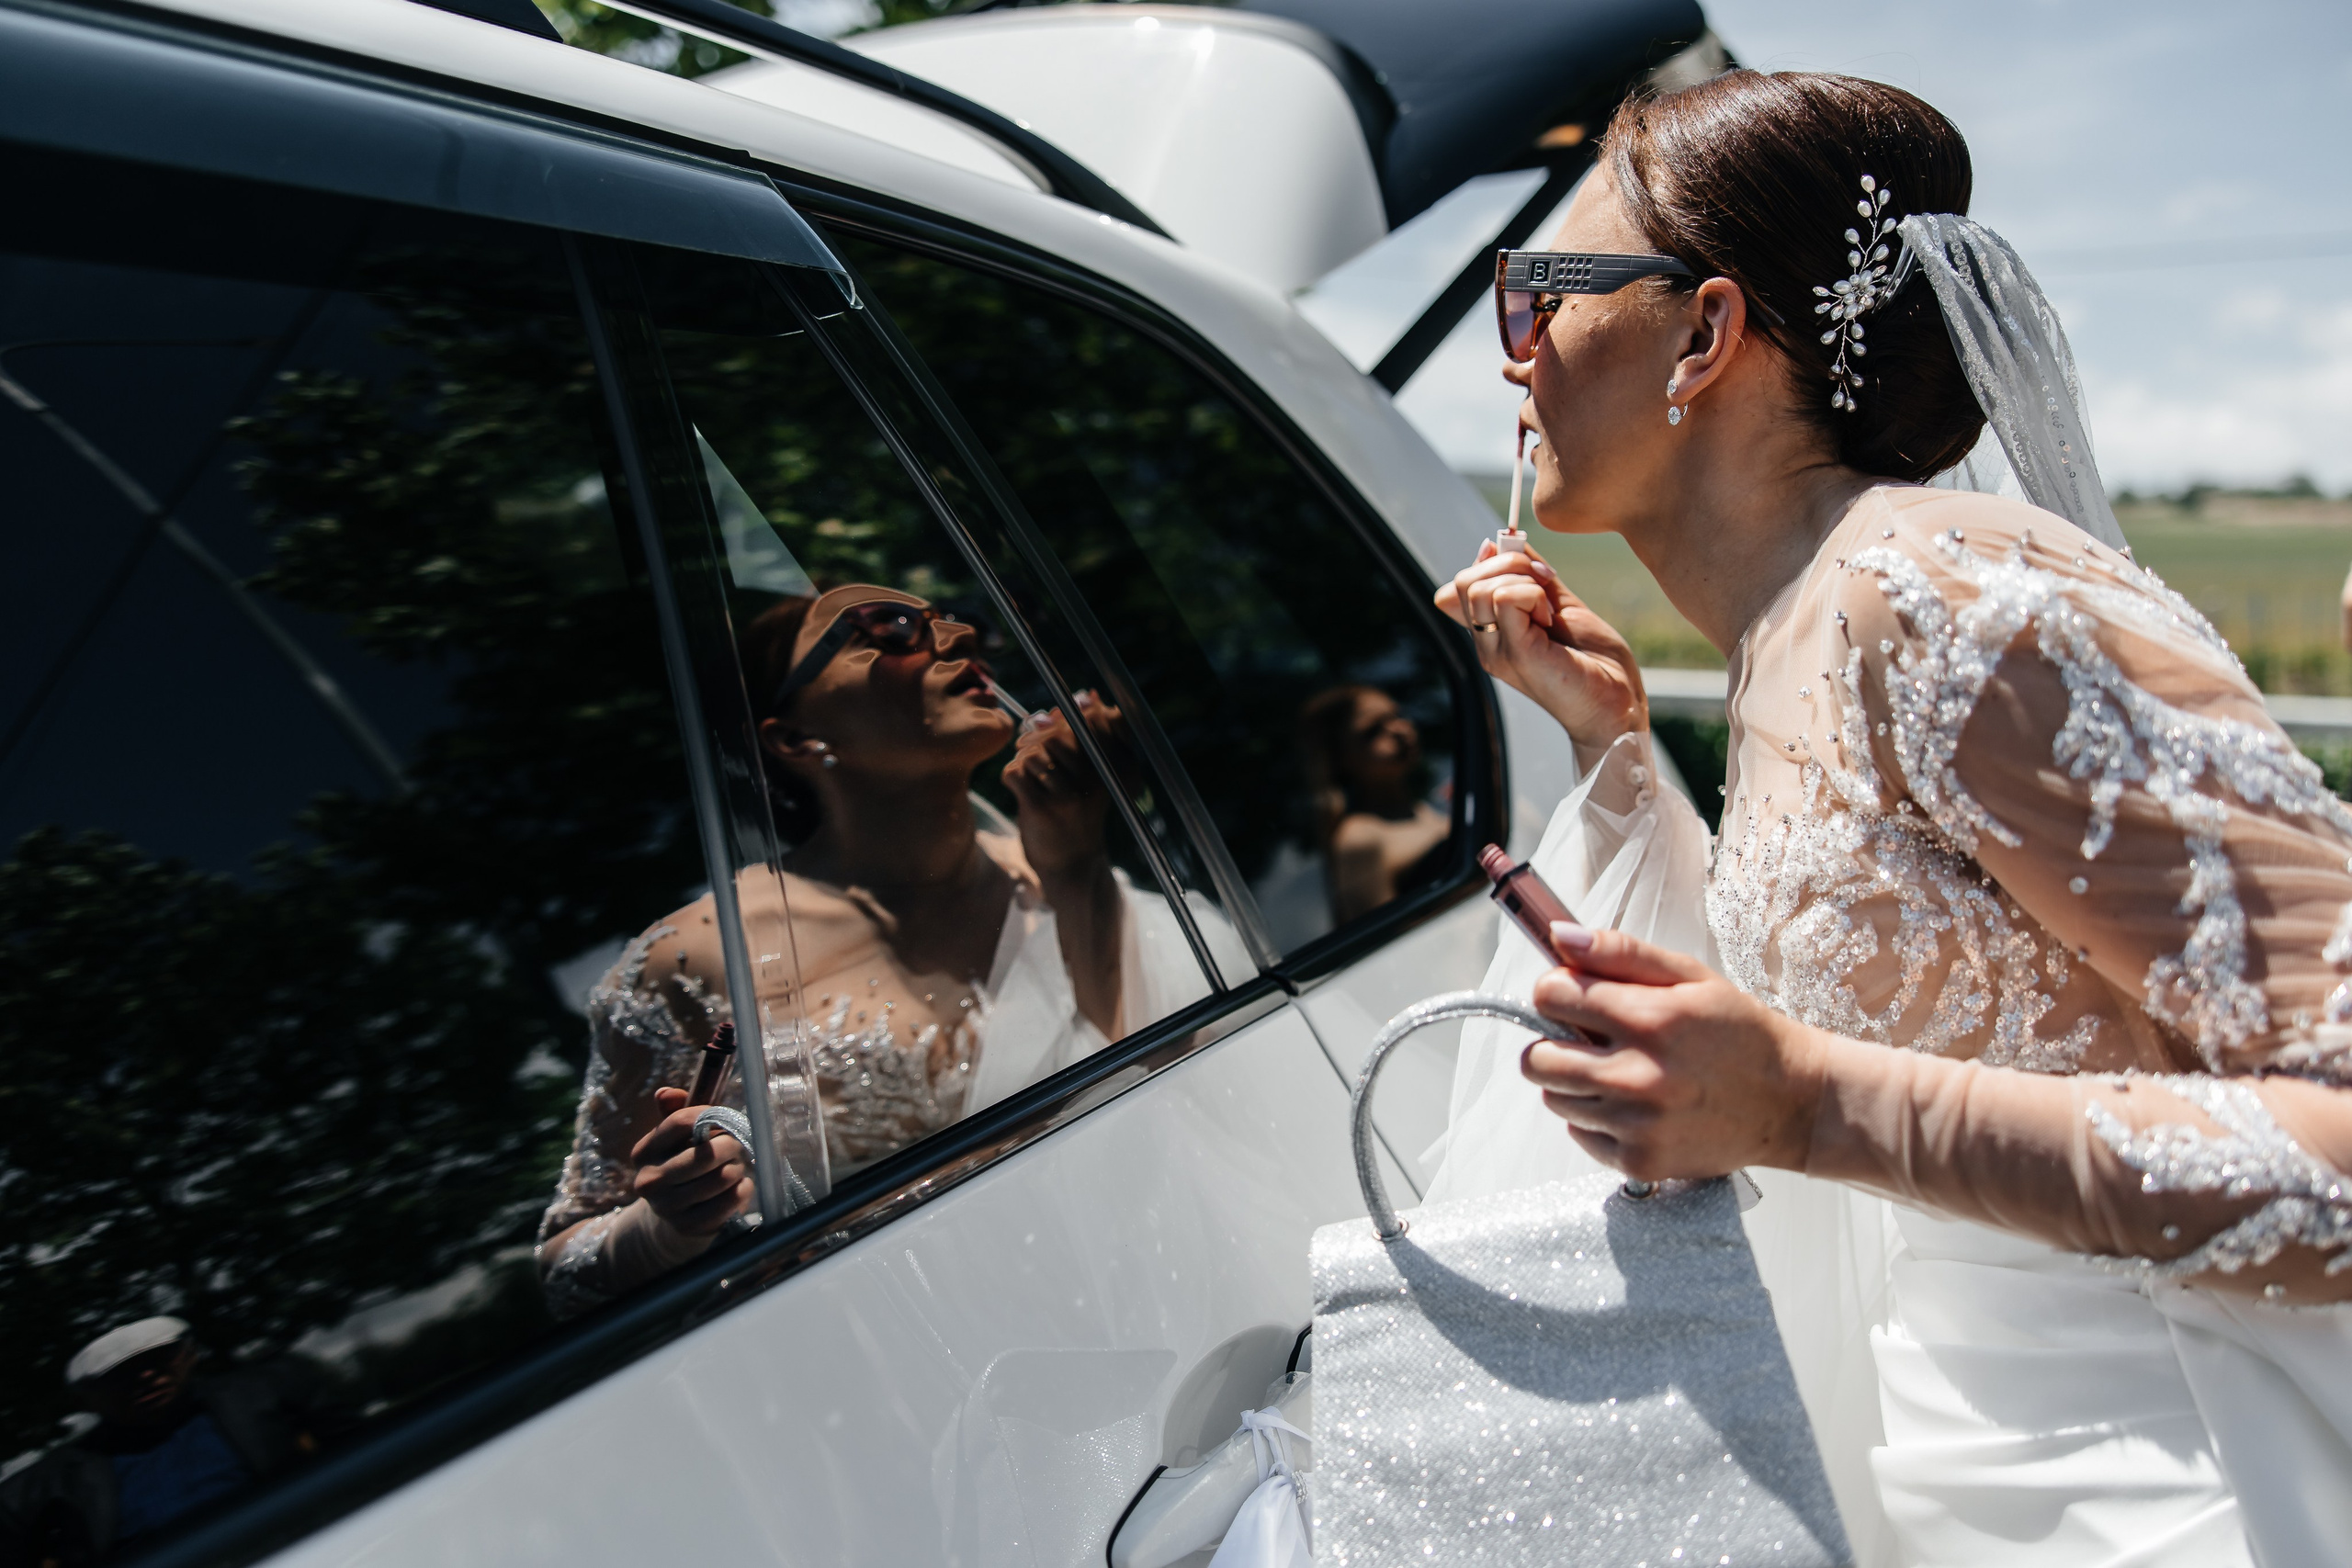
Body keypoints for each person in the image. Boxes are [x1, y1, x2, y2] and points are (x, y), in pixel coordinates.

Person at [1428, 70, 2352, 1568]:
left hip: (2173, 1484)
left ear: (1706, 331)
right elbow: (1925, 977)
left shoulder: (1948, 597)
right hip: (1950, 1454)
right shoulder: (1788, 632)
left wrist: (1810, 1108)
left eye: (1540, 292)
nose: (1513, 351)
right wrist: (1613, 738)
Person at [535, 586, 1215, 1316]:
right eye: (889, 628)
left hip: (1163, 1294)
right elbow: (564, 1265)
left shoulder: (1050, 868)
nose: (957, 635)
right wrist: (668, 1228)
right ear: (795, 739)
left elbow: (1157, 1117)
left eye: (950, 617)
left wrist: (1078, 863)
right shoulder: (699, 958)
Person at [0, 1319, 333, 1565]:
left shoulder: (266, 1394)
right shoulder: (56, 1479)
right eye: (120, 1373)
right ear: (86, 1398)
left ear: (190, 1355)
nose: (145, 1376)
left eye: (158, 1359)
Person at [1299, 684, 1452, 923]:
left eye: (1398, 715)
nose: (1398, 730)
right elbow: (1388, 947)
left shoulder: (1427, 807)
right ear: (1340, 758)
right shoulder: (1358, 837)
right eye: (1373, 730)